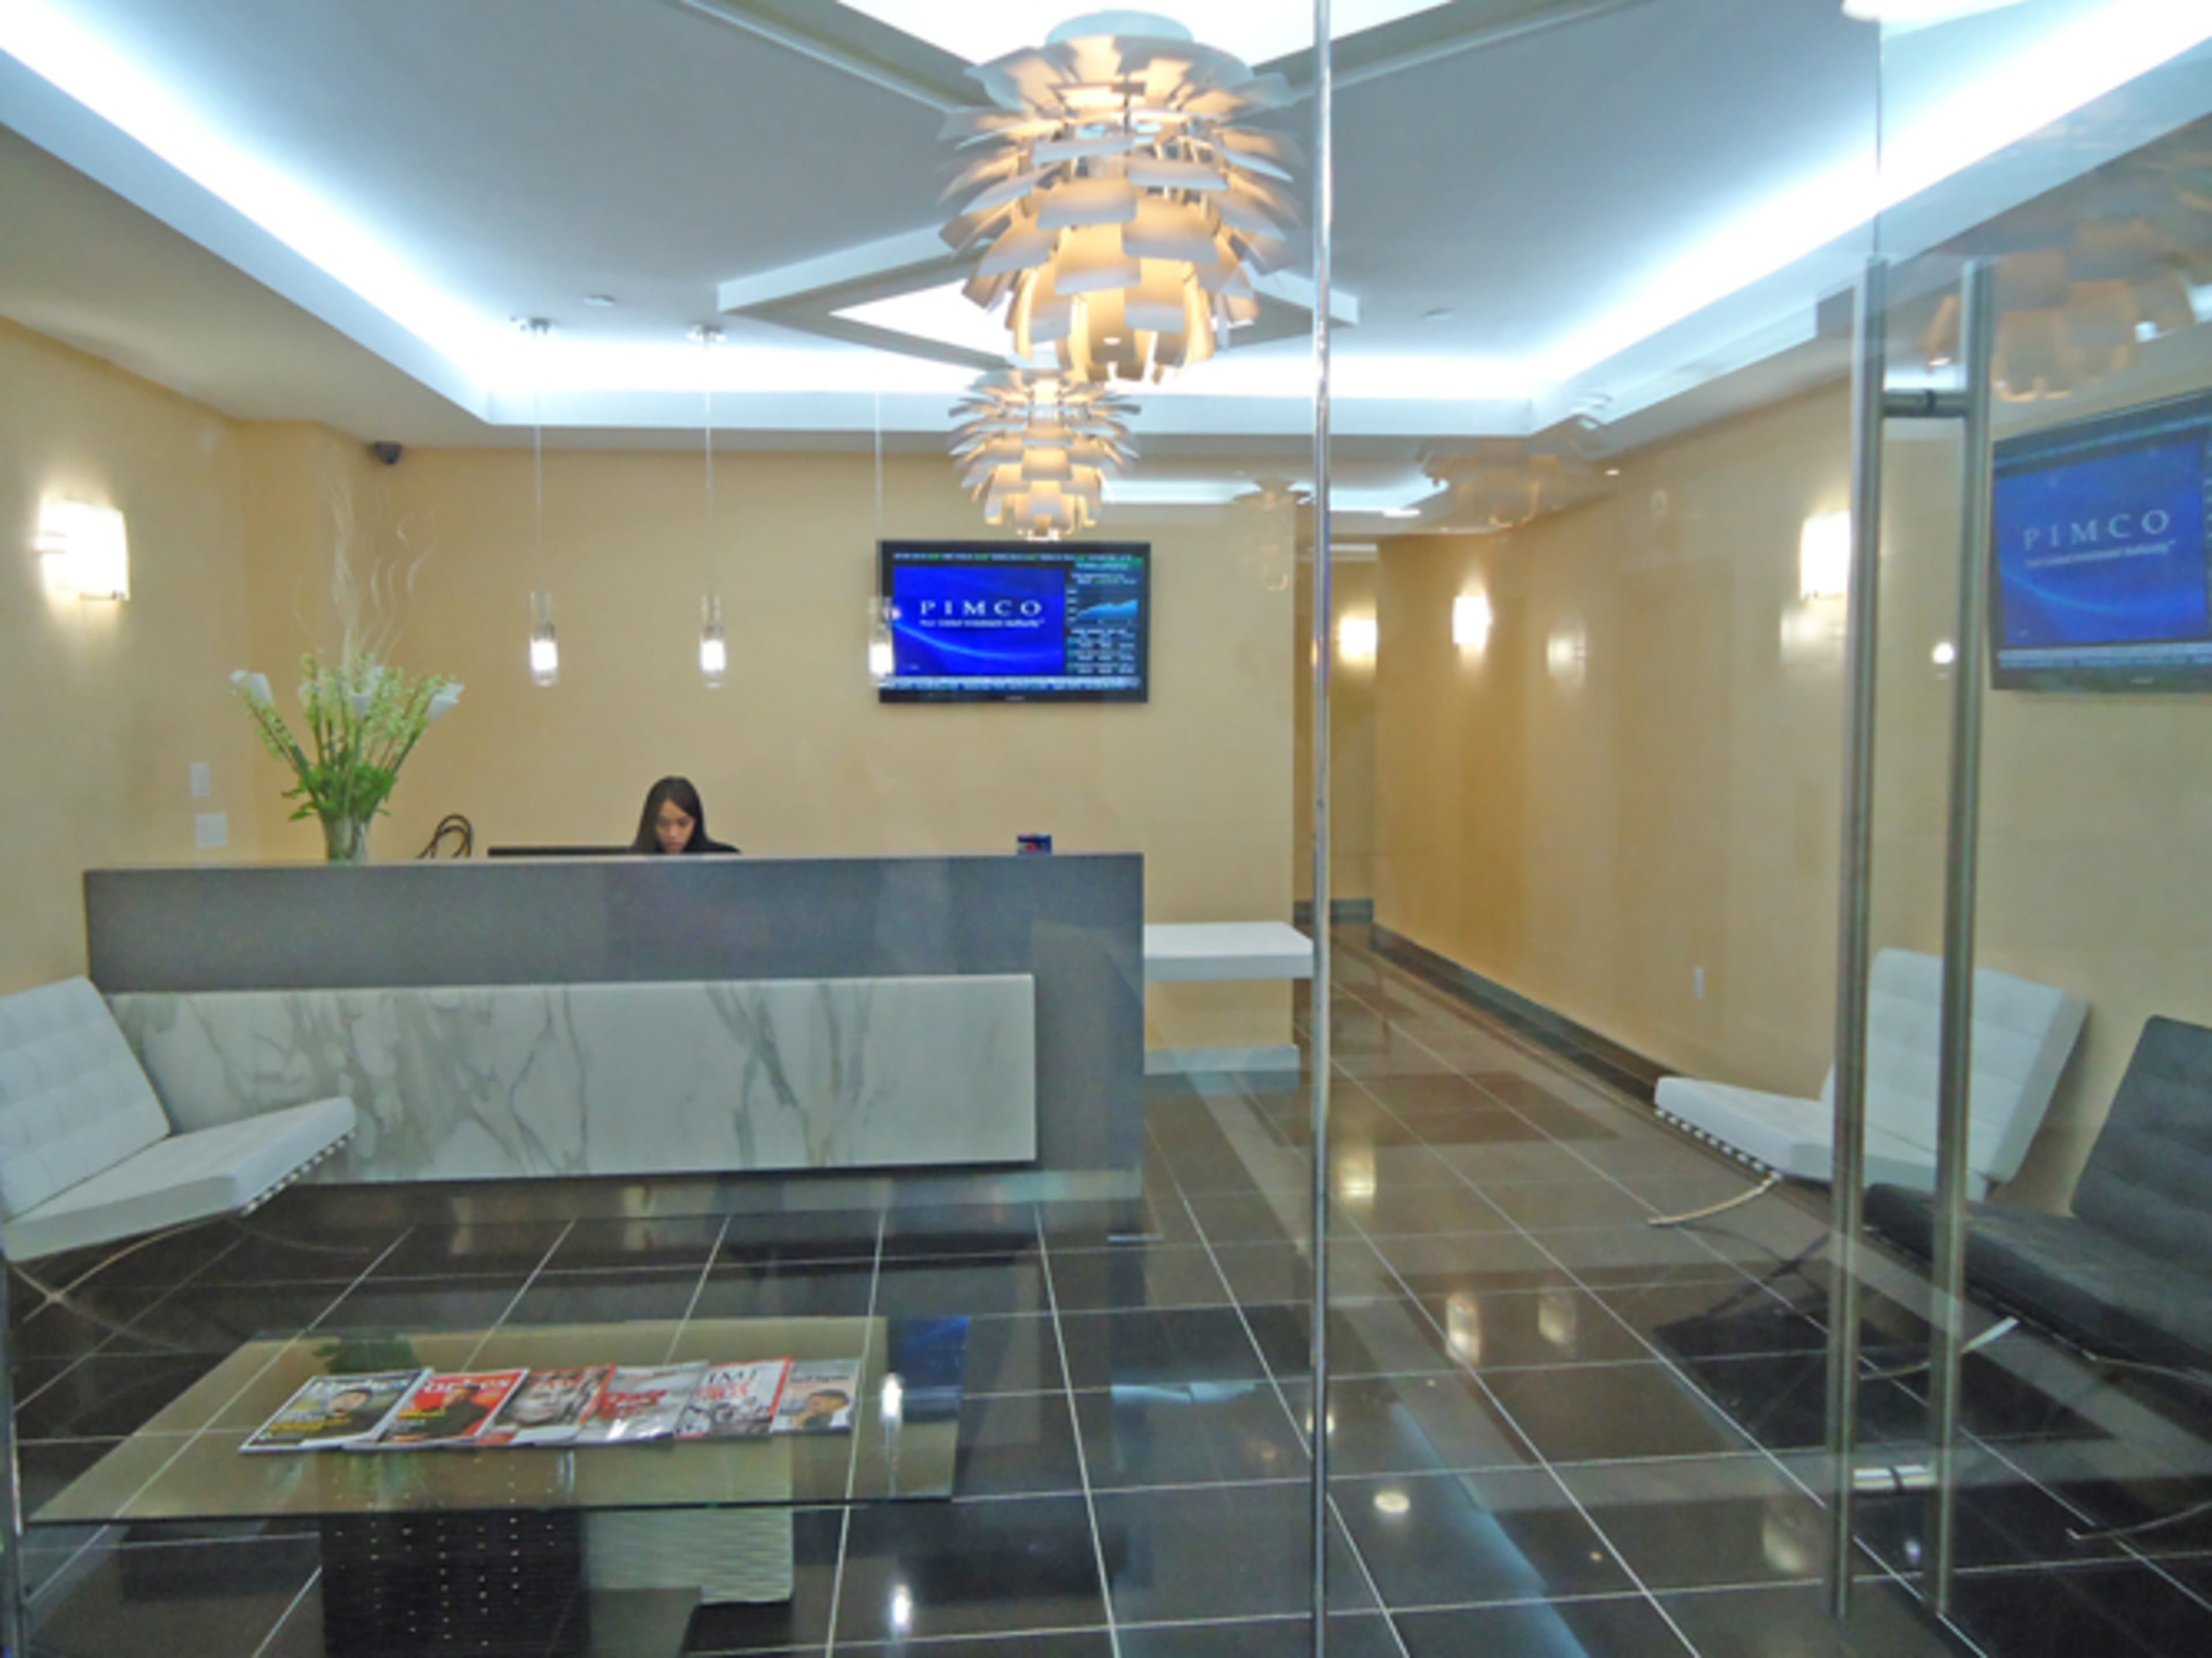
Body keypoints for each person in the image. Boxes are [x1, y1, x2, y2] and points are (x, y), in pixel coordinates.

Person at [631, 775, 737, 855]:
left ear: (696, 823)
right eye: (663, 824)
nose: (673, 834)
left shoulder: (724, 861)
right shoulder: (627, 866)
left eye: (683, 824)